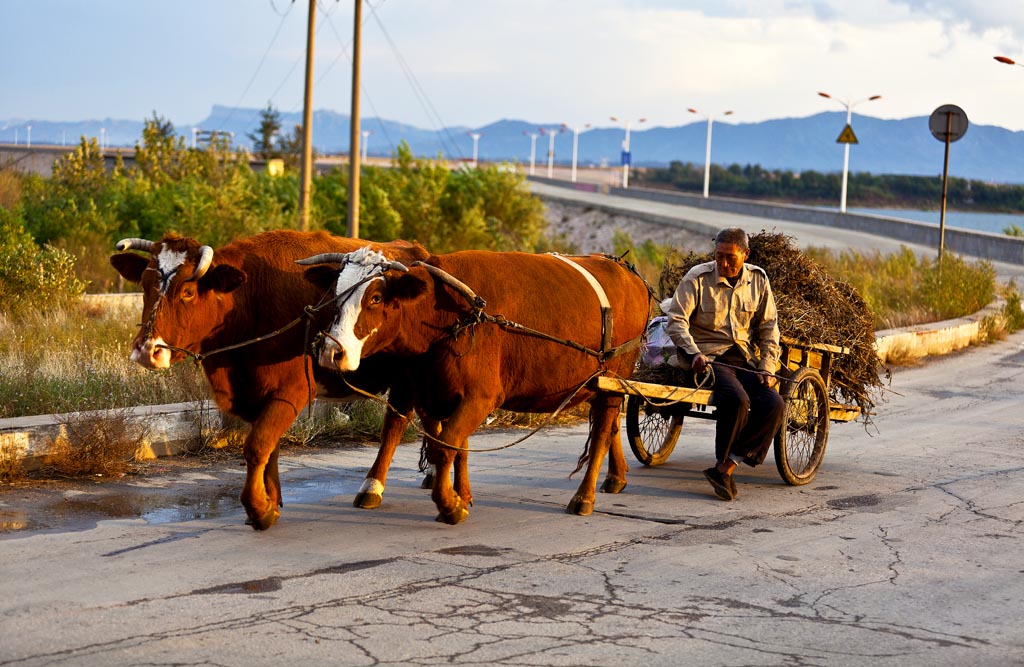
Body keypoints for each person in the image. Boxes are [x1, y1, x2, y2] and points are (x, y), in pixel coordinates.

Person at [662, 227, 785, 501]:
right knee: (737, 400)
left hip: (744, 359)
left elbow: (769, 327)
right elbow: (676, 320)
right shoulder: (697, 278)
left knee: (774, 404)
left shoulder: (758, 280)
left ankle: (726, 466)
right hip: (708, 359)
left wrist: (767, 366)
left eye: (730, 257)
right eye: (719, 256)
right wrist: (693, 353)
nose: (724, 263)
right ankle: (724, 469)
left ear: (745, 255)